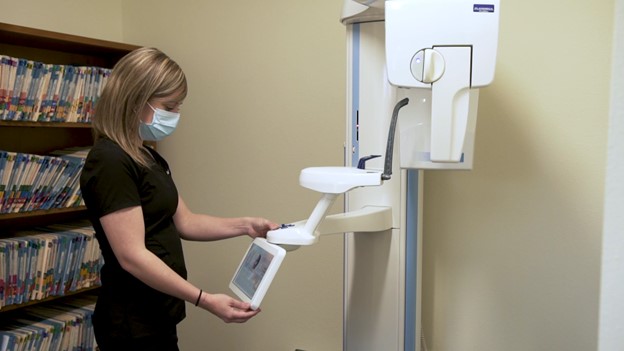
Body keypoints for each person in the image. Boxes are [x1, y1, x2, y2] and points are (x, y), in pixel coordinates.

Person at [79, 47, 278, 351]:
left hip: (159, 312)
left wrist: (246, 225)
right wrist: (204, 299)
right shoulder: (109, 161)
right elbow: (132, 256)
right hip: (131, 322)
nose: (175, 115)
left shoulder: (147, 156)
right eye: (169, 106)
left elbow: (186, 221)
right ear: (135, 100)